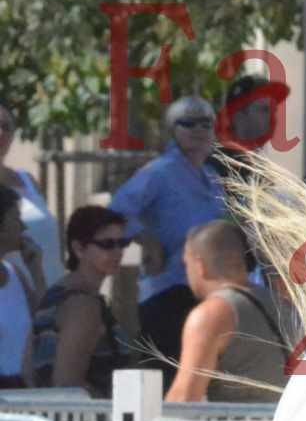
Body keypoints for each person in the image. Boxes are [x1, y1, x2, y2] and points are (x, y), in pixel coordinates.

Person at [109, 96, 228, 383]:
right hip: (167, 291)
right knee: (164, 380)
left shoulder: (213, 177)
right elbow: (117, 209)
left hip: (207, 292)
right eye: (187, 123)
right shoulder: (159, 172)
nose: (198, 129)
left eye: (205, 122)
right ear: (171, 130)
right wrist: (146, 239)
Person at [166, 220, 286, 403]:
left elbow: (184, 398)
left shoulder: (211, 314)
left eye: (186, 264)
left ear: (199, 265)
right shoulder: (283, 305)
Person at [32, 206, 130, 397]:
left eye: (122, 242)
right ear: (78, 248)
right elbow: (67, 385)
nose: (118, 251)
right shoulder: (82, 304)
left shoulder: (59, 293)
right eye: (107, 244)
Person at [0, 103, 63, 286]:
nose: (1, 132)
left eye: (6, 127)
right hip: (13, 297)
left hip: (52, 290)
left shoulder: (27, 180)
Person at [0, 186, 39, 386]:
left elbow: (43, 324)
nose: (23, 227)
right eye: (16, 218)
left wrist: (36, 268)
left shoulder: (16, 274)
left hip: (22, 394)